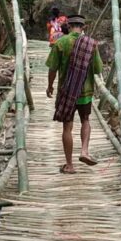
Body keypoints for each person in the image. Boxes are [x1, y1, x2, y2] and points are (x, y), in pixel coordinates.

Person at [45, 15, 103, 174]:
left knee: (67, 127)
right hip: (85, 92)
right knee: (85, 120)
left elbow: (52, 68)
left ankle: (69, 165)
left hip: (67, 91)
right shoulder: (91, 44)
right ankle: (84, 151)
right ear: (83, 27)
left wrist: (50, 86)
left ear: (69, 26)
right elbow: (98, 68)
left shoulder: (61, 43)